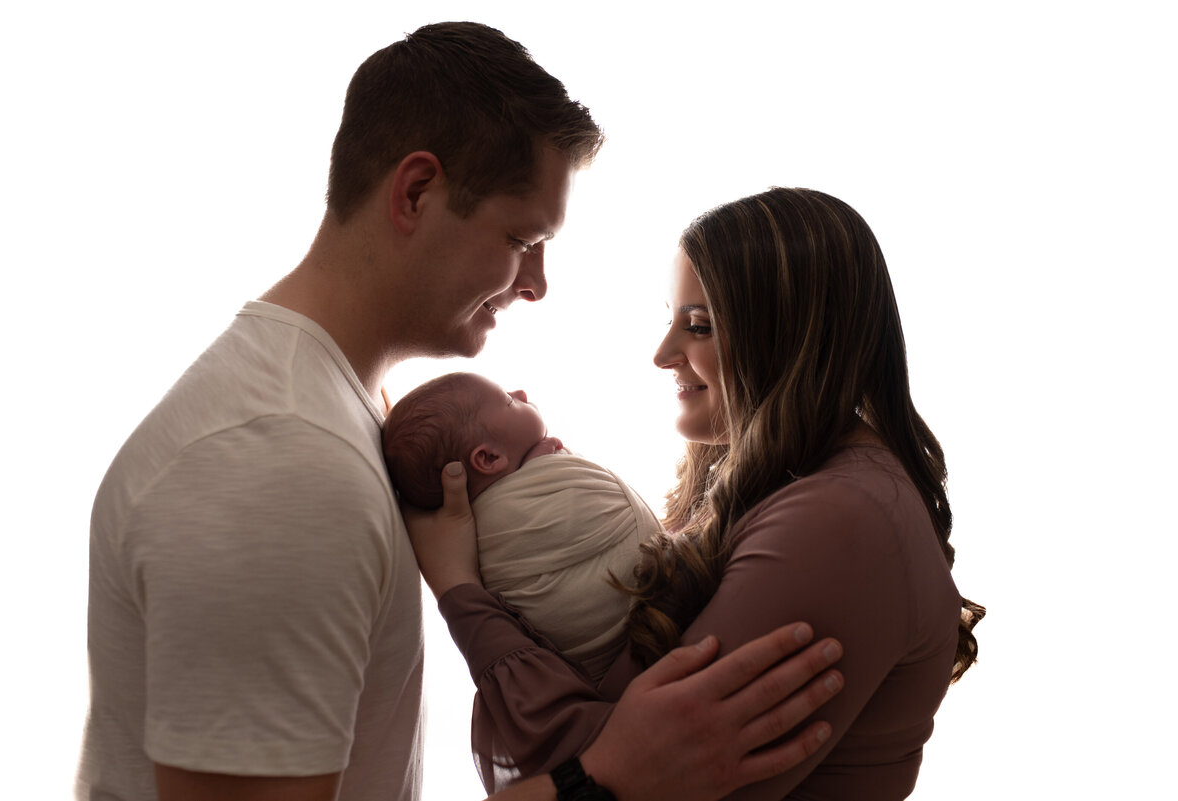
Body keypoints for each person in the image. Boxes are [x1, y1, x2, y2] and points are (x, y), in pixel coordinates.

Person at [77, 22, 844, 801]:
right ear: (416, 192)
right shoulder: (280, 461)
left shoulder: (340, 412)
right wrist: (607, 777)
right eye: (522, 238)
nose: (538, 283)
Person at [408, 187, 984, 799]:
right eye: (671, 321)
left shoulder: (840, 521)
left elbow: (613, 764)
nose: (662, 354)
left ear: (790, 338)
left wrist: (461, 590)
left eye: (700, 325)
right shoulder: (781, 487)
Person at [384, 371, 661, 681]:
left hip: (598, 675)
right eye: (508, 401)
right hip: (648, 629)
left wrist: (540, 464)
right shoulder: (489, 524)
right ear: (488, 458)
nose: (521, 393)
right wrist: (547, 464)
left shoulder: (461, 535)